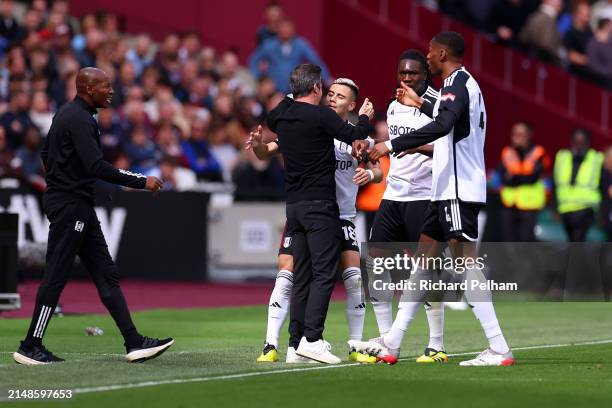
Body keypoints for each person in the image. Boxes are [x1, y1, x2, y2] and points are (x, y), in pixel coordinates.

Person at [361, 31, 514, 366]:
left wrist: (392, 145)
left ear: (443, 53)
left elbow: (445, 125)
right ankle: (394, 342)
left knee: (466, 265)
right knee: (421, 266)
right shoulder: (459, 86)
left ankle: (499, 346)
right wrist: (423, 102)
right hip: (442, 192)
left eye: (430, 52)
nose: (427, 57)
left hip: (457, 191)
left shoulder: (457, 83)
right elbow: (451, 120)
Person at [12, 67, 173, 365]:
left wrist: (68, 184)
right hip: (71, 206)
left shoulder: (66, 114)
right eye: (105, 86)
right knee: (56, 273)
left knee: (105, 273)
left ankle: (133, 341)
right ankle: (30, 344)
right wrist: (141, 181)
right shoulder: (81, 119)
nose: (112, 91)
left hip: (76, 204)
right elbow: (96, 165)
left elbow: (48, 157)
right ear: (88, 89)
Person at [247, 78, 382, 363]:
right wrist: (259, 146)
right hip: (312, 209)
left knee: (353, 277)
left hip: (342, 214)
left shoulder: (355, 135)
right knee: (289, 271)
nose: (333, 99)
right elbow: (266, 151)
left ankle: (354, 345)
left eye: (340, 96)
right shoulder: (310, 124)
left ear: (352, 104)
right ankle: (272, 344)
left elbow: (378, 169)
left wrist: (369, 175)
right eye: (330, 93)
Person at [358, 49, 448, 364]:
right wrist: (370, 147)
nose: (407, 78)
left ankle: (436, 344)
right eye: (402, 73)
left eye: (413, 73)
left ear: (427, 73)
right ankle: (387, 341)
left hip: (425, 197)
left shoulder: (436, 105)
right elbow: (392, 145)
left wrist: (411, 145)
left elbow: (450, 148)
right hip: (393, 197)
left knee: (428, 272)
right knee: (376, 265)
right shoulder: (395, 106)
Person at [249, 18, 331, 94]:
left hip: (295, 89)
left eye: (287, 27)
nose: (285, 30)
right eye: (282, 27)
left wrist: (326, 78)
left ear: (293, 29)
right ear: (278, 29)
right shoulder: (269, 45)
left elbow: (316, 61)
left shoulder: (301, 44)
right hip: (274, 91)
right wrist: (259, 78)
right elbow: (254, 60)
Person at [499, 121, 550, 241]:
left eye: (521, 134)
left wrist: (513, 176)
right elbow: (503, 179)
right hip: (509, 205)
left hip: (529, 206)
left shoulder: (538, 152)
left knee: (526, 241)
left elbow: (532, 178)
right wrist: (522, 176)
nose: (516, 137)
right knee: (507, 241)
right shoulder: (507, 152)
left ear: (529, 135)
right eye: (514, 134)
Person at [553, 128, 604, 242]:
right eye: (576, 141)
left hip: (585, 210)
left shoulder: (596, 159)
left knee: (577, 242)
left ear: (588, 143)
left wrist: (602, 215)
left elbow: (603, 188)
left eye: (582, 142)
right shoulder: (562, 157)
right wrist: (554, 207)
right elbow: (555, 184)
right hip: (565, 209)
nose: (579, 145)